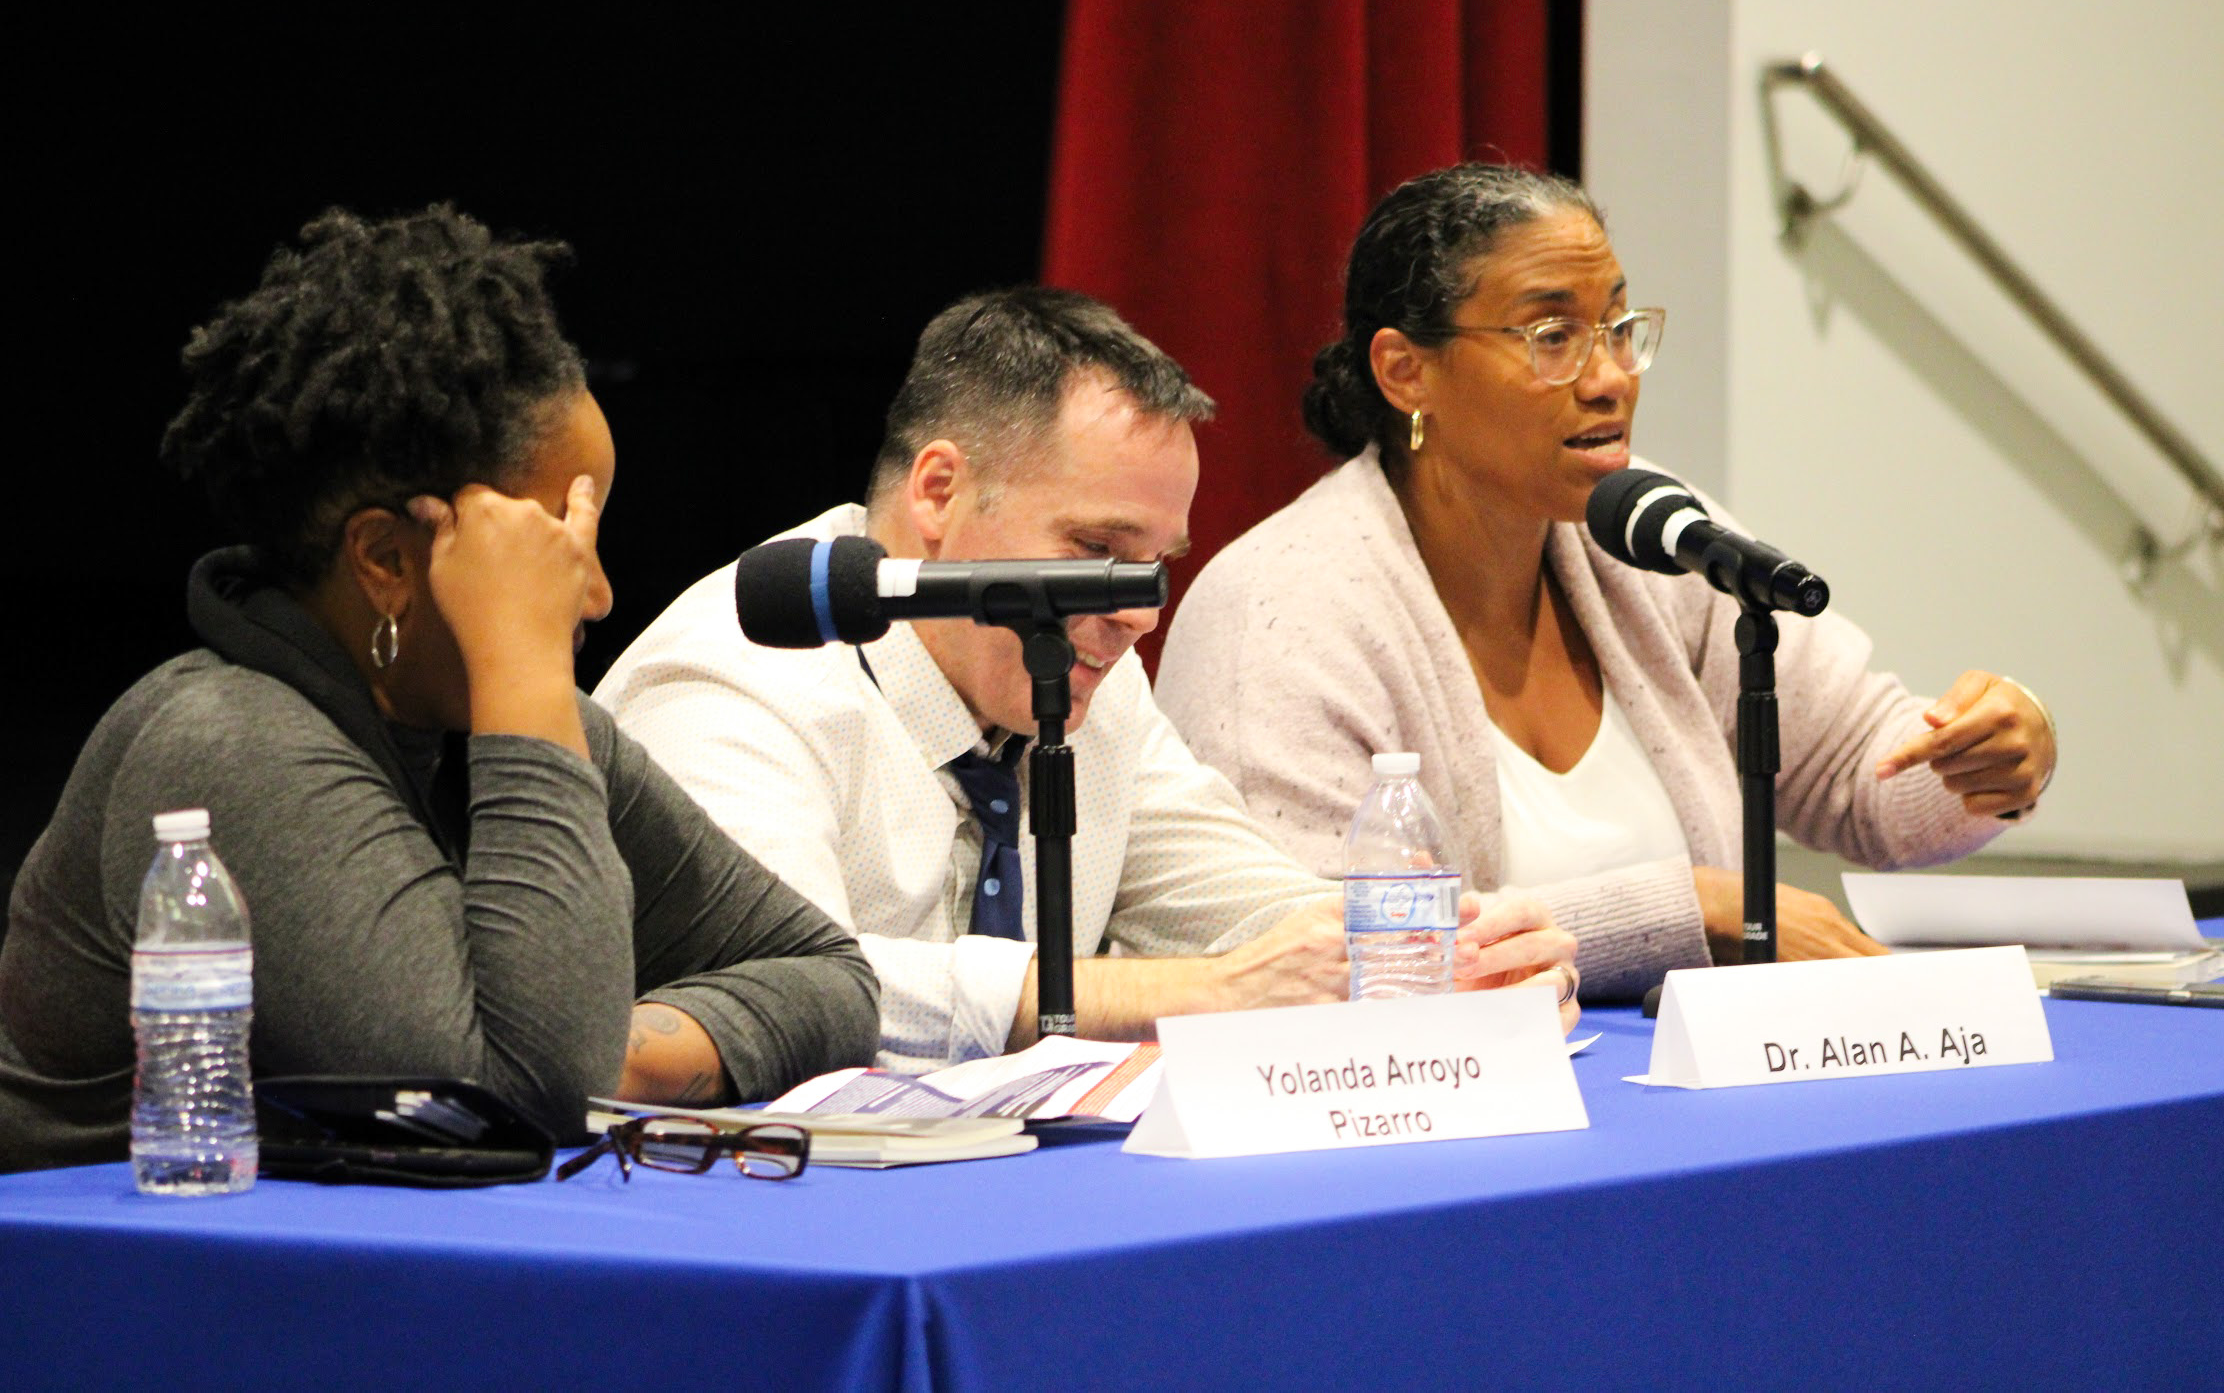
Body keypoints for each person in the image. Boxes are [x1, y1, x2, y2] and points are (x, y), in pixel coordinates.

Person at [0, 206, 878, 1173]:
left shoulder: (524, 723)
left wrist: (625, 1048)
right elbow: (521, 1095)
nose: (597, 590)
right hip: (111, 1291)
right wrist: (525, 680)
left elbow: (832, 980)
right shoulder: (223, 744)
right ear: (385, 557)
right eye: (555, 541)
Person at [595, 287, 1578, 1073]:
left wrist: (1434, 954)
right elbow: (776, 989)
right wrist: (1198, 992)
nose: (1137, 611)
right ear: (938, 491)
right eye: (1095, 549)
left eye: (1153, 565)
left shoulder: (1077, 663)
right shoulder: (735, 674)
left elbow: (1230, 899)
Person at [1156, 163, 2058, 1001]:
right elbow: (1314, 954)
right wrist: (1696, 909)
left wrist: (1987, 755)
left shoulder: (1653, 538)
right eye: (1554, 336)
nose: (1613, 377)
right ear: (1407, 372)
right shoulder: (1280, 612)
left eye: (1619, 330)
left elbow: (1858, 773)